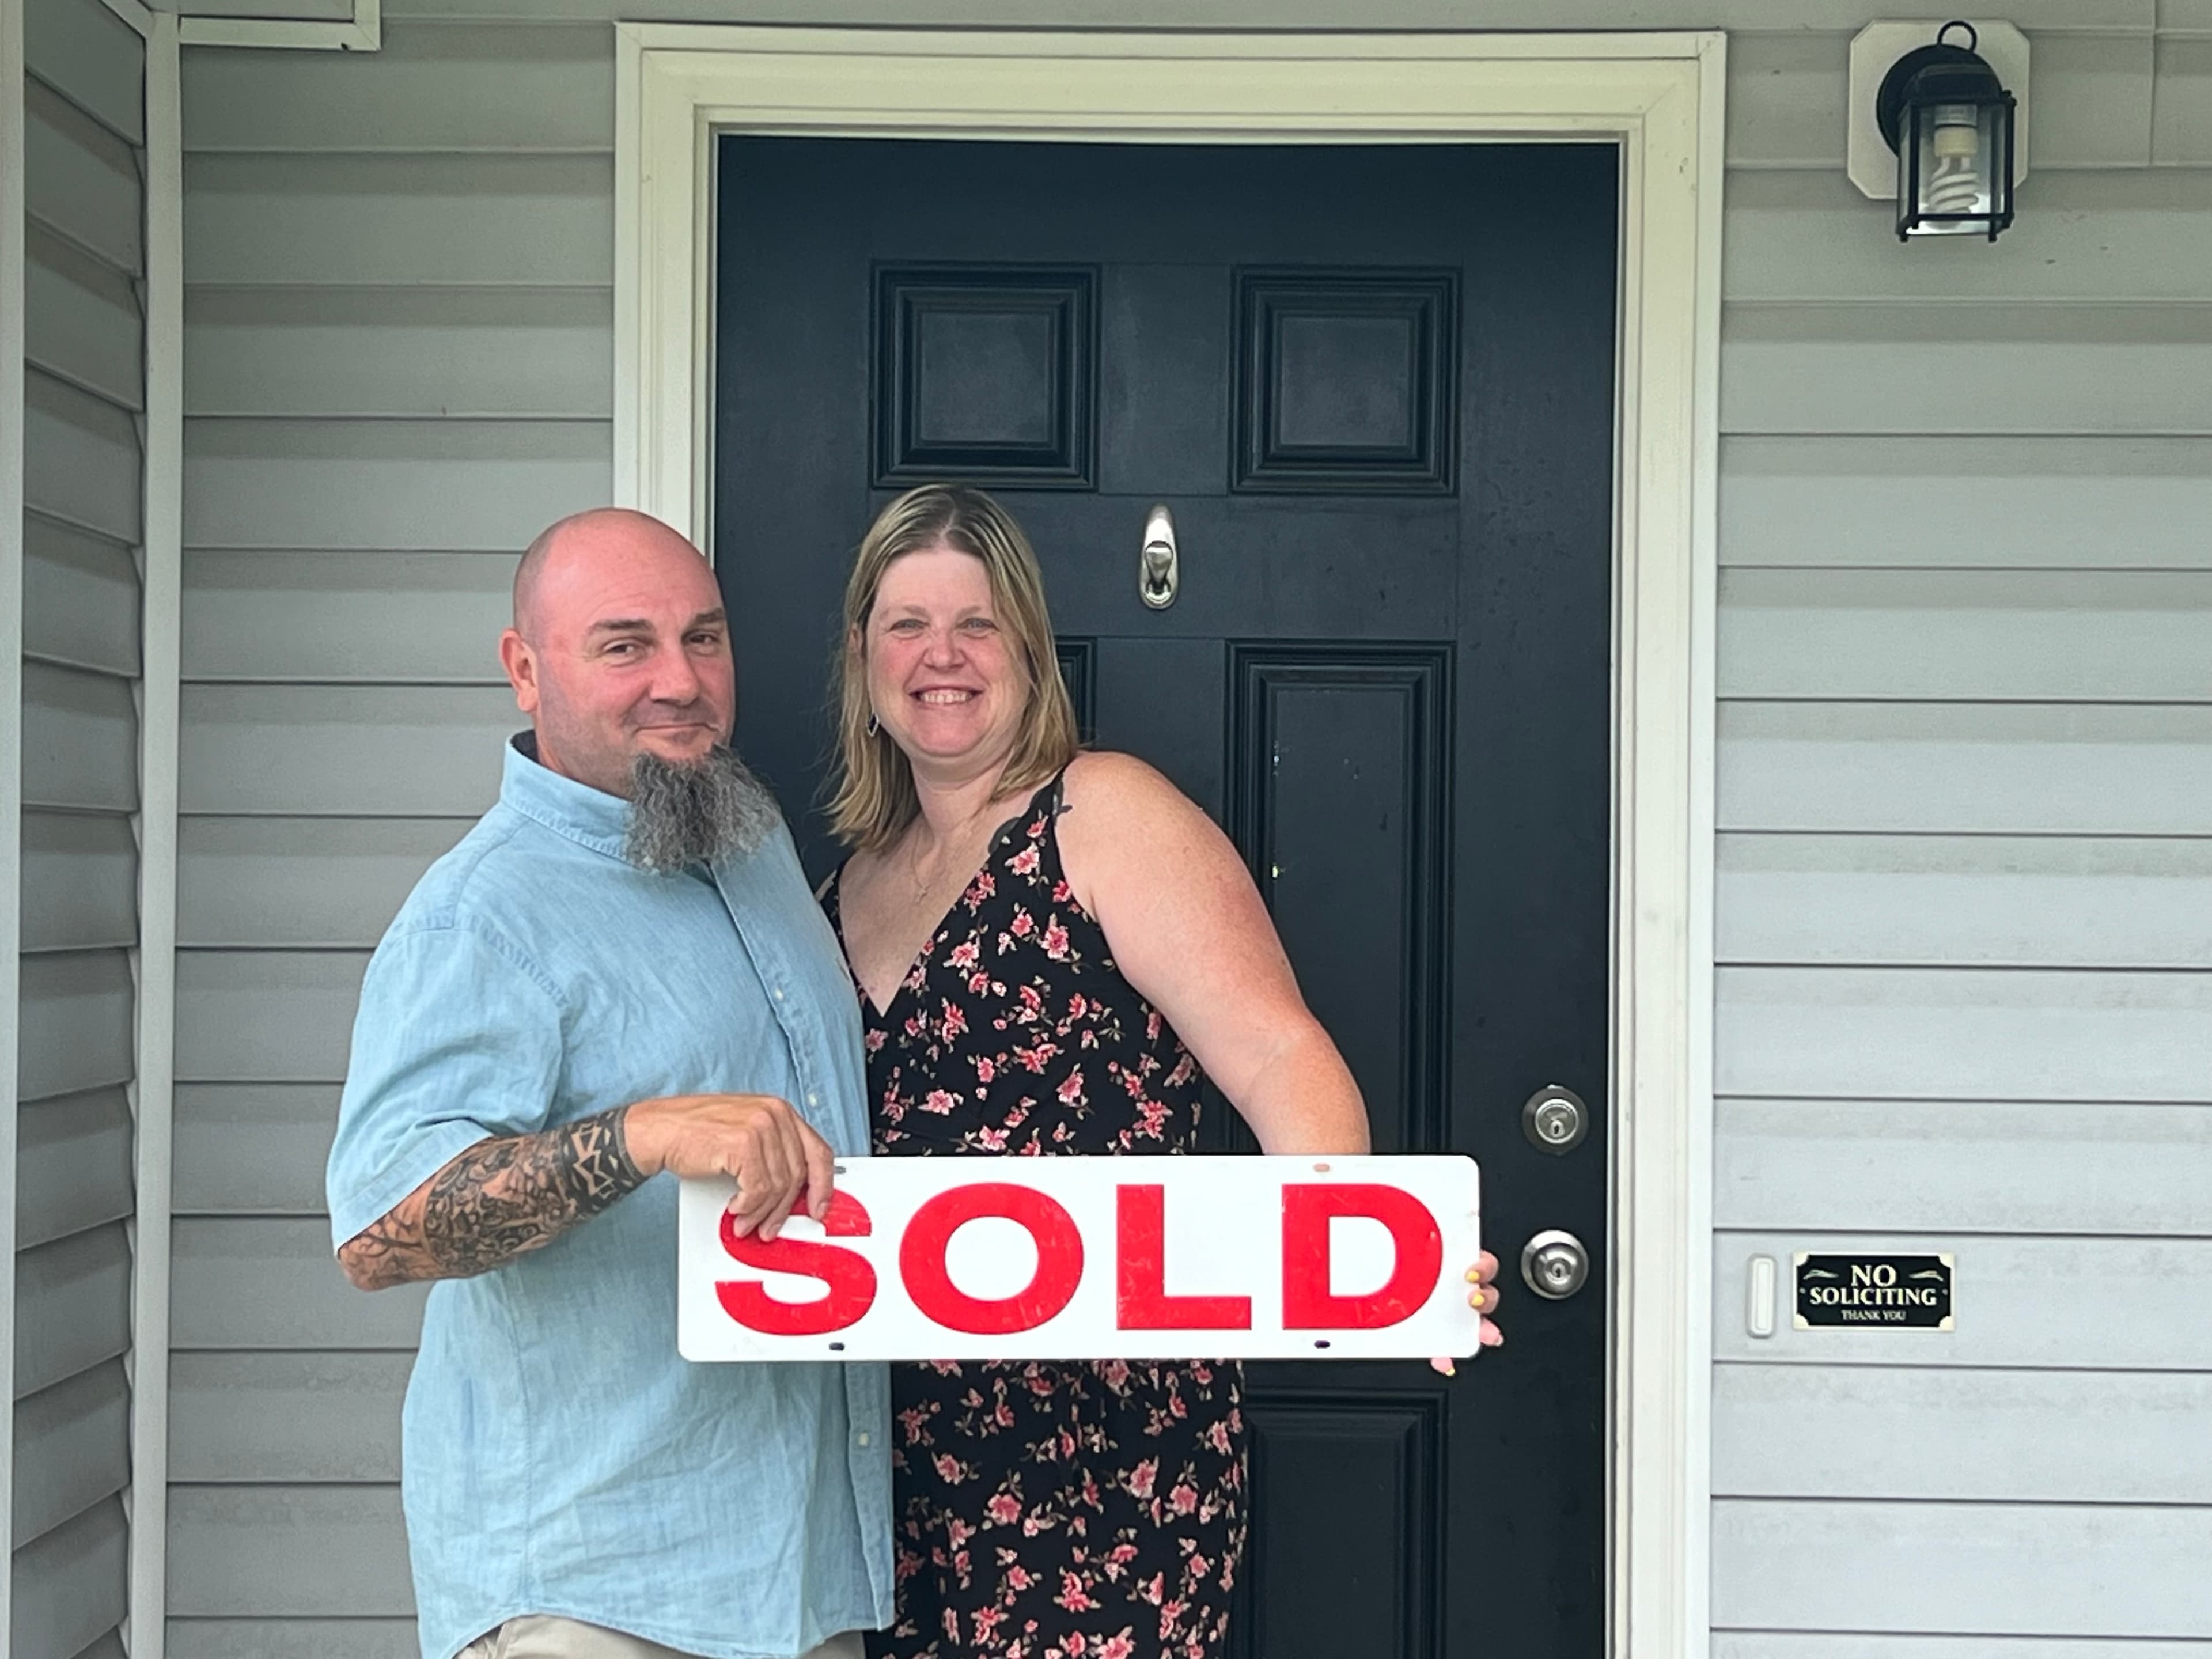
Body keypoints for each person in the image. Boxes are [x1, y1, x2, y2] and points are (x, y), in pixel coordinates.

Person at [820, 484, 1501, 1659]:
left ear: (1029, 649)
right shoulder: (845, 883)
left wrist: (1370, 1258)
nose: (942, 656)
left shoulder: (1106, 816)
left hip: (1103, 1451)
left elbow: (1281, 1053)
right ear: (863, 657)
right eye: (906, 624)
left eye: (977, 624)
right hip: (889, 1458)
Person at [326, 509, 891, 1659]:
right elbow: (381, 1234)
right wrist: (635, 1135)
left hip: (795, 1579)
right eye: (625, 645)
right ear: (524, 670)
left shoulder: (749, 839)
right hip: (597, 1594)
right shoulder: (479, 917)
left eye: (706, 638)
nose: (682, 682)